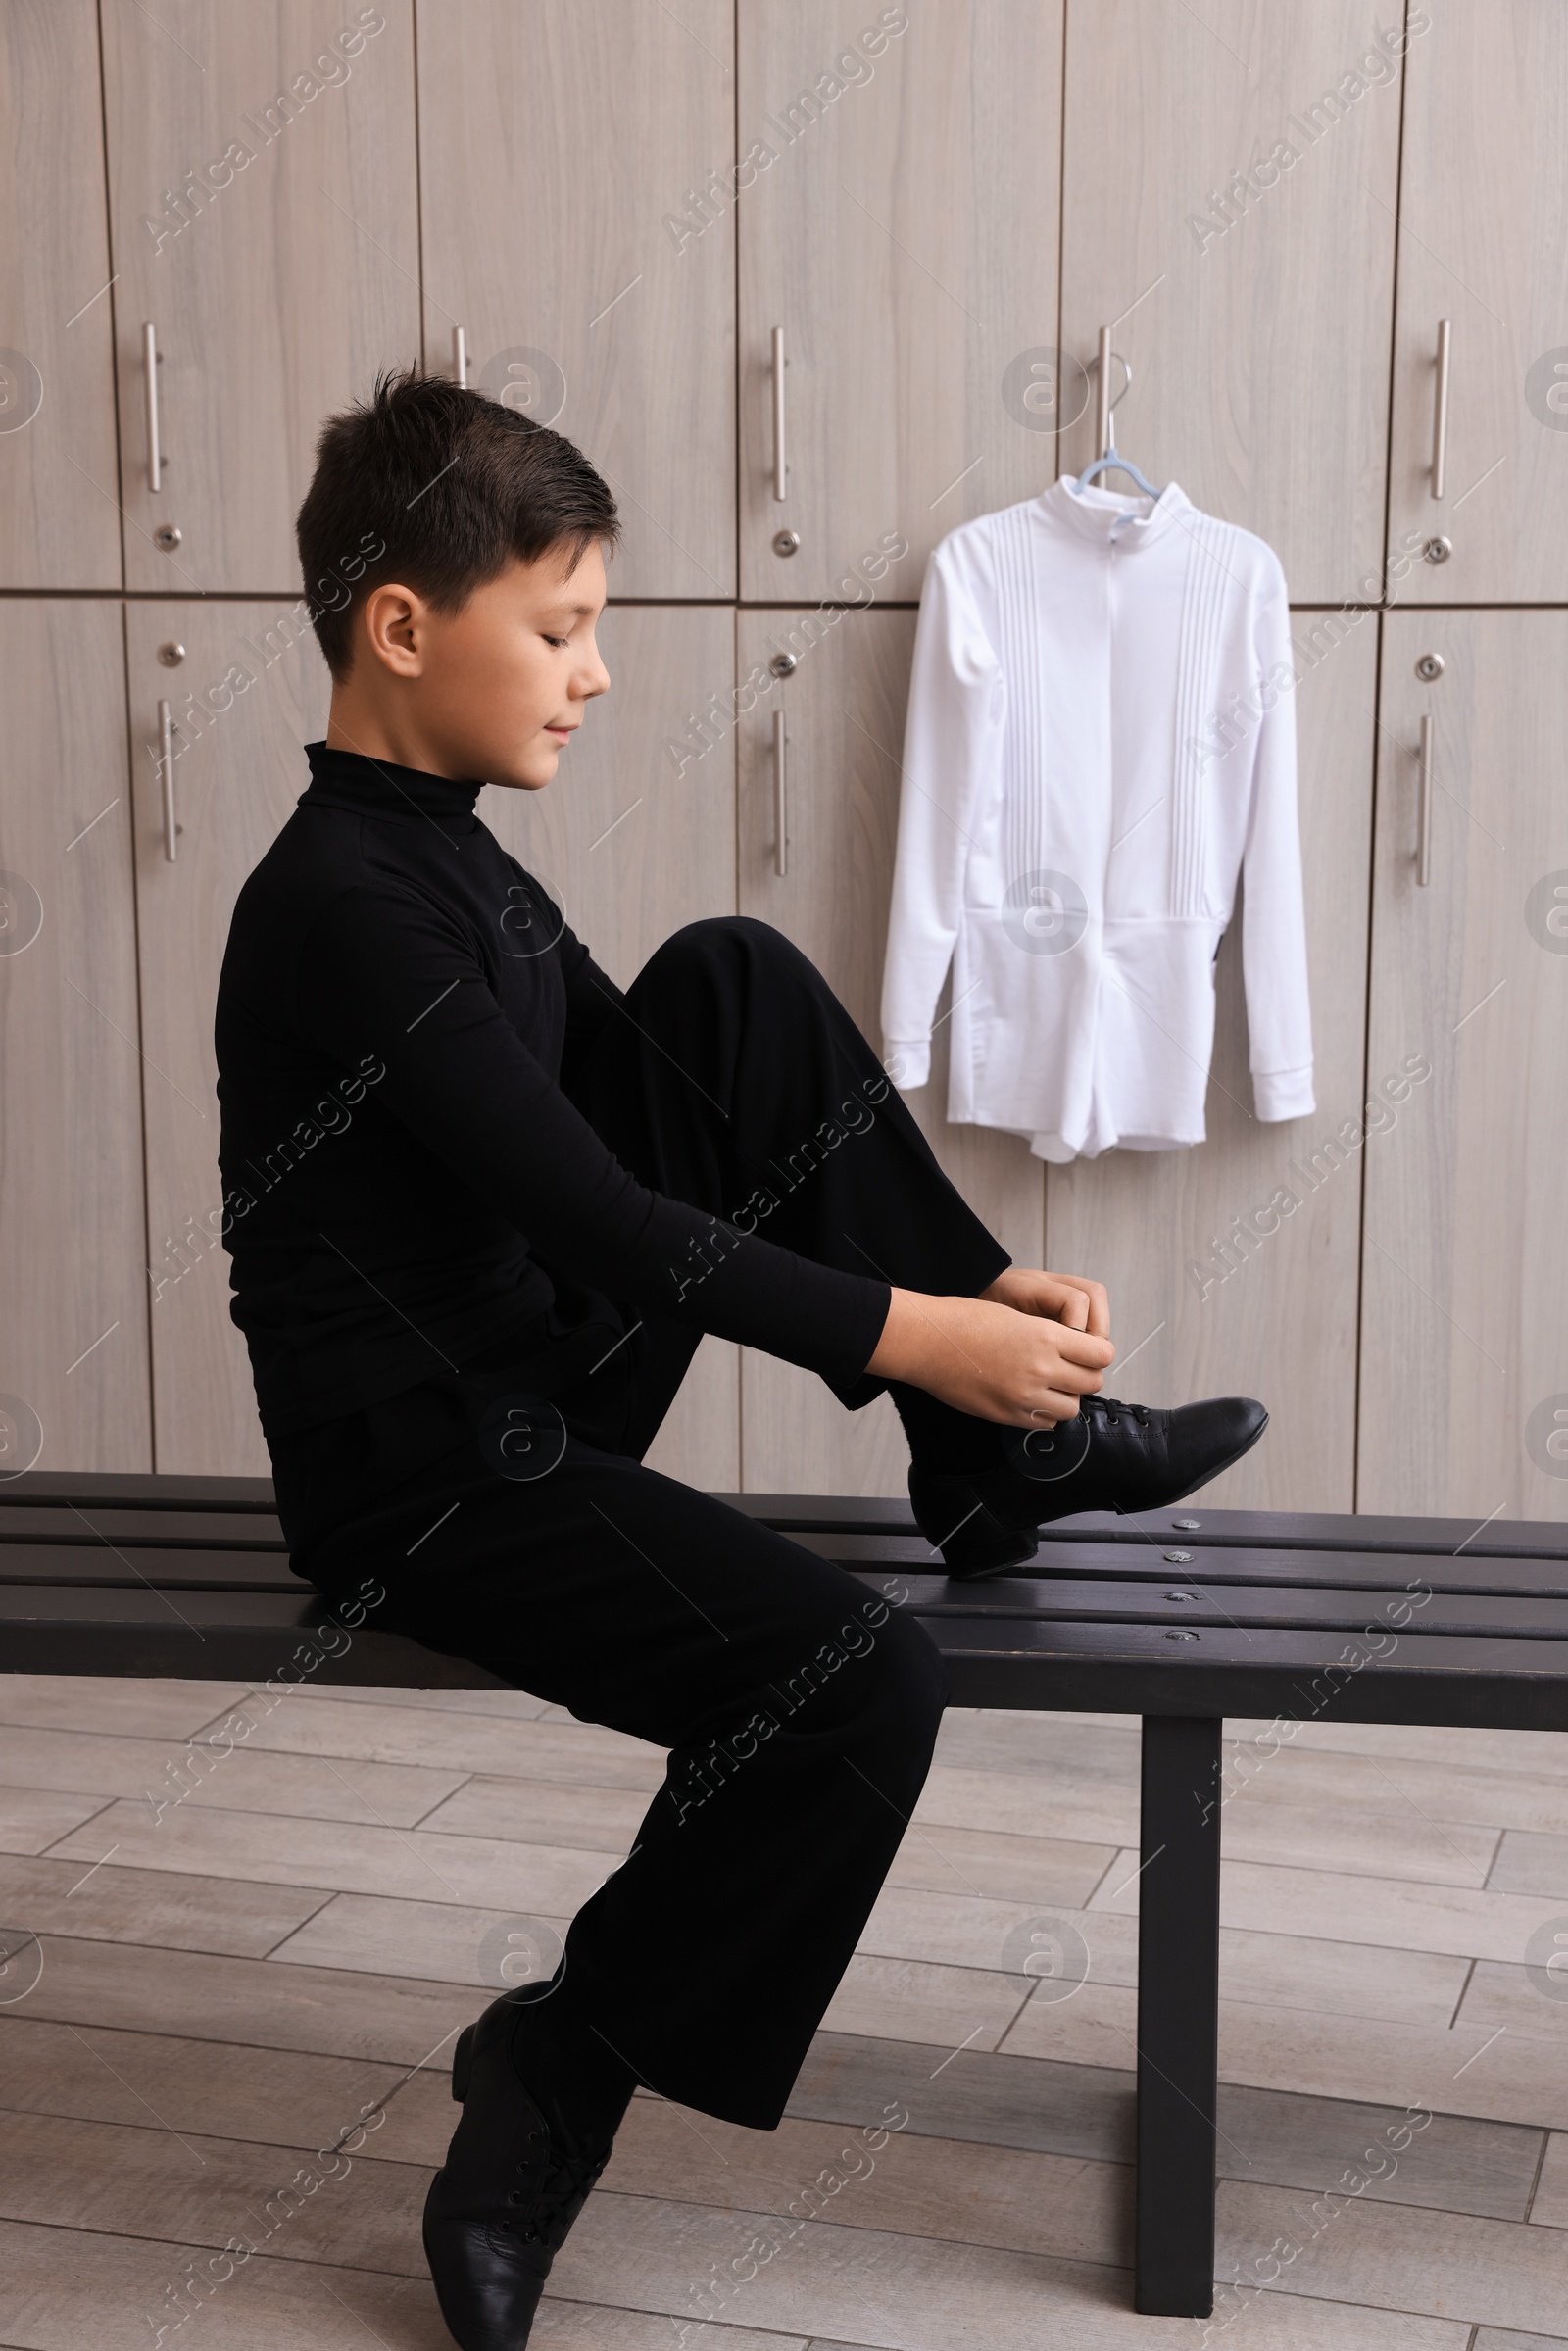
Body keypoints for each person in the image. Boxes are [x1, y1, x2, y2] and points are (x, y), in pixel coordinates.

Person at [215, 369, 1266, 2351]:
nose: (594, 674)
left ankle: (998, 1457)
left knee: (733, 983)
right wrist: (914, 1333)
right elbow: (620, 1228)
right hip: (427, 1472)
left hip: (533, 1371)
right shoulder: (343, 904)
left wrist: (969, 1299)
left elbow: (655, 1106)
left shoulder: (460, 858)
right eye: (561, 626)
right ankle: (557, 2068)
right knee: (851, 1677)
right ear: (402, 626)